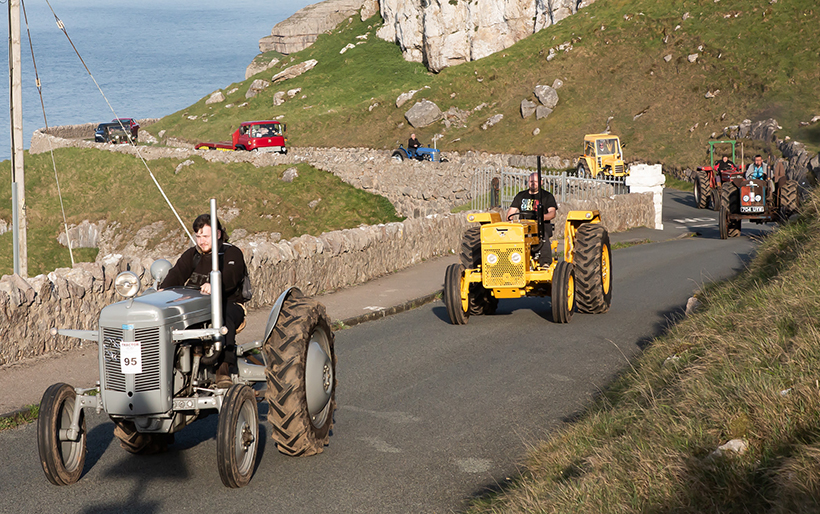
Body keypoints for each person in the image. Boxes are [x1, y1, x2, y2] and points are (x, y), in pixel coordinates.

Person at [160, 214, 247, 388]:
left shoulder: (231, 253)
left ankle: (223, 367)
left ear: (218, 234)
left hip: (228, 303)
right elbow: (177, 273)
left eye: (205, 236)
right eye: (198, 237)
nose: (201, 241)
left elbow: (231, 277)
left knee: (222, 316)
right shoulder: (193, 255)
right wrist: (162, 291)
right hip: (197, 306)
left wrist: (215, 284)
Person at [506, 172, 558, 266]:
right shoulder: (521, 196)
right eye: (531, 181)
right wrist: (510, 220)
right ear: (528, 182)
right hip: (523, 225)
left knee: (543, 236)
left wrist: (543, 217)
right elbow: (511, 211)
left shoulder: (547, 196)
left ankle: (545, 262)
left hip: (539, 225)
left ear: (541, 182)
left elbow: (552, 213)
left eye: (535, 181)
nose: (533, 183)